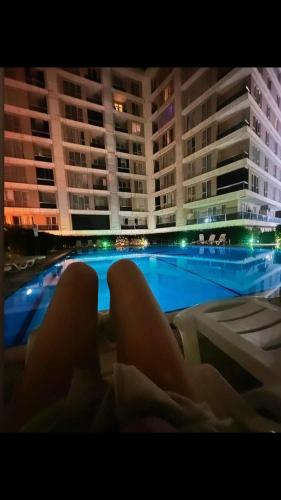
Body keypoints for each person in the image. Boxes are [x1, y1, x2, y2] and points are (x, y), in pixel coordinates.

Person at [4, 260, 244, 432]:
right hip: (168, 418)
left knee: (79, 273)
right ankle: (113, 323)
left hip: (48, 424)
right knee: (125, 269)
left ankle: (101, 325)